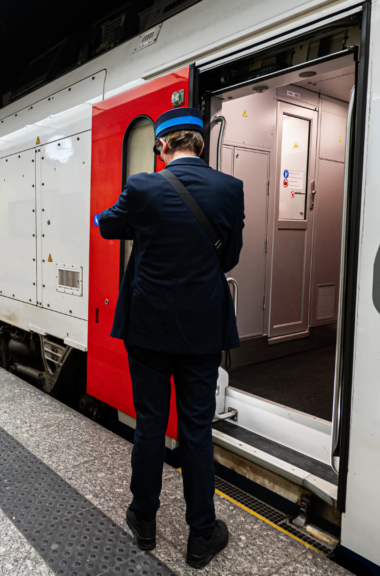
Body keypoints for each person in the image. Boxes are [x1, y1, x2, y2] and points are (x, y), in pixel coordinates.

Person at [98, 107, 245, 569]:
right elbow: (231, 257)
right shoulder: (229, 189)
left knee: (149, 425)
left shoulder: (143, 186)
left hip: (148, 329)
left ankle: (144, 521)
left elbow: (107, 226)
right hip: (202, 333)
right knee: (197, 432)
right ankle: (202, 534)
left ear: (162, 147)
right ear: (200, 145)